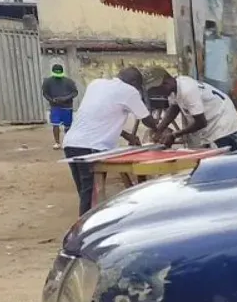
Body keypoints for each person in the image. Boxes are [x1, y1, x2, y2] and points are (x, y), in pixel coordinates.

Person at [62, 66, 162, 216]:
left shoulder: (96, 84)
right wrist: (160, 128)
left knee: (85, 192)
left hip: (71, 143)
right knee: (91, 197)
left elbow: (99, 116)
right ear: (134, 82)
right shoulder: (130, 91)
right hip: (92, 147)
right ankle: (86, 231)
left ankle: (85, 225)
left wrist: (126, 135)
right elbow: (147, 120)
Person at [142, 67, 237, 151]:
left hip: (222, 121)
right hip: (213, 121)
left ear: (166, 83)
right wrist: (159, 129)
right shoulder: (175, 87)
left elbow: (201, 122)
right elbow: (174, 107)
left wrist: (174, 135)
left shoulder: (187, 90)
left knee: (222, 161)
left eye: (158, 90)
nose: (158, 94)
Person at [42, 64, 79, 149]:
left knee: (68, 126)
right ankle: (57, 143)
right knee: (55, 124)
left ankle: (67, 142)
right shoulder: (47, 82)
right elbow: (45, 93)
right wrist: (51, 99)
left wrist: (65, 98)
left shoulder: (69, 81)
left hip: (67, 106)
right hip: (55, 106)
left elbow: (75, 92)